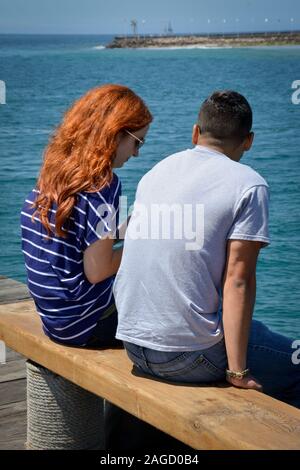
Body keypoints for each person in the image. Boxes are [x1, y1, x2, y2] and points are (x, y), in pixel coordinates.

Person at [114, 90, 300, 408]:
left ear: (195, 132)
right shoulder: (248, 184)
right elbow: (238, 281)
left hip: (133, 344)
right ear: (249, 140)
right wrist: (238, 371)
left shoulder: (156, 172)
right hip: (187, 357)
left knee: (258, 333)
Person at [21, 83, 152, 348]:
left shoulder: (55, 171)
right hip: (87, 324)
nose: (137, 154)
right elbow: (98, 270)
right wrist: (146, 241)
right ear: (115, 135)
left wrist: (124, 231)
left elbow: (72, 242)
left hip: (56, 319)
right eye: (137, 142)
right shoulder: (104, 185)